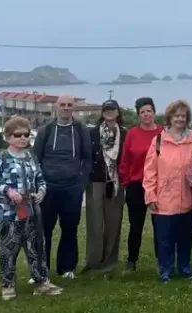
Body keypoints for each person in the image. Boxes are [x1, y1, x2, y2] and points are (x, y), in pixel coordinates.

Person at [0, 115, 63, 300]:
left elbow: (41, 180)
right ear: (8, 137)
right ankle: (8, 285)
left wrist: (41, 192)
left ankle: (41, 282)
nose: (22, 138)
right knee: (8, 250)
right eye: (17, 134)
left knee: (36, 247)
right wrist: (8, 191)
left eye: (26, 134)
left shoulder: (30, 157)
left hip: (31, 211)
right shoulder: (0, 158)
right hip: (6, 214)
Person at [34, 94, 92, 279]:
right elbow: (36, 159)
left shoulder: (81, 130)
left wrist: (81, 184)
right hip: (48, 189)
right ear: (56, 107)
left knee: (69, 229)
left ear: (73, 108)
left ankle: (67, 268)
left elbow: (87, 158)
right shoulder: (46, 130)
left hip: (72, 189)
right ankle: (41, 269)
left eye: (69, 105)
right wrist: (39, 185)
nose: (66, 108)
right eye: (62, 105)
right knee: (44, 231)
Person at [143, 100, 192, 282]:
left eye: (183, 116)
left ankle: (184, 267)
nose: (180, 119)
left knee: (185, 237)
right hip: (164, 199)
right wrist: (150, 195)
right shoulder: (159, 140)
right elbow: (150, 171)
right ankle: (165, 269)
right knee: (165, 239)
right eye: (176, 115)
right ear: (170, 117)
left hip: (187, 198)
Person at [118, 97, 163, 272]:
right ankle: (131, 261)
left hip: (157, 186)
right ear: (138, 115)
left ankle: (161, 261)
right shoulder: (132, 134)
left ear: (154, 112)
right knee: (135, 226)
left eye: (149, 111)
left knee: (159, 225)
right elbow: (125, 160)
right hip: (136, 186)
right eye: (142, 111)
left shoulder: (162, 133)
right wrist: (126, 181)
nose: (146, 114)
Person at [83, 99, 127, 273]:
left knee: (113, 222)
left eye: (112, 109)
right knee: (95, 223)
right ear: (102, 113)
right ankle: (93, 261)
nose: (109, 112)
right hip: (95, 182)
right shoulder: (92, 133)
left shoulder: (124, 134)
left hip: (116, 183)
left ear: (118, 112)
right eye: (106, 109)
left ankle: (110, 262)